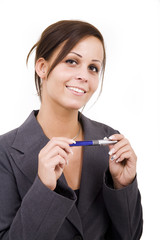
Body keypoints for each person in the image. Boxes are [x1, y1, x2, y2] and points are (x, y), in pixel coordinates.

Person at [0, 20, 143, 240]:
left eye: (93, 68)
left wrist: (122, 186)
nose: (84, 76)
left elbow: (130, 236)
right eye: (72, 61)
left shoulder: (110, 142)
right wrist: (44, 189)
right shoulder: (5, 152)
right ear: (42, 67)